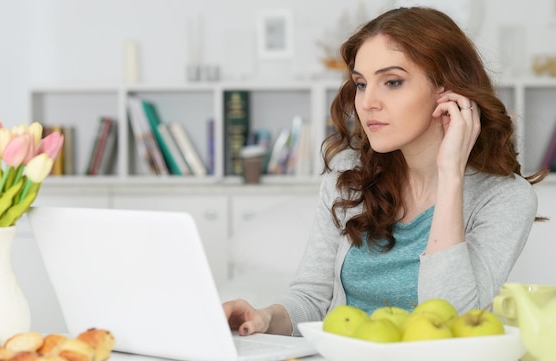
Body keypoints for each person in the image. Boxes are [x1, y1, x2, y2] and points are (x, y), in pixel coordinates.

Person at [223, 6, 546, 337]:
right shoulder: (347, 177)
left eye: (392, 82)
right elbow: (312, 298)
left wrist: (451, 176)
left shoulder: (505, 198)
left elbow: (453, 320)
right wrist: (264, 317)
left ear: (447, 90)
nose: (367, 103)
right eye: (362, 84)